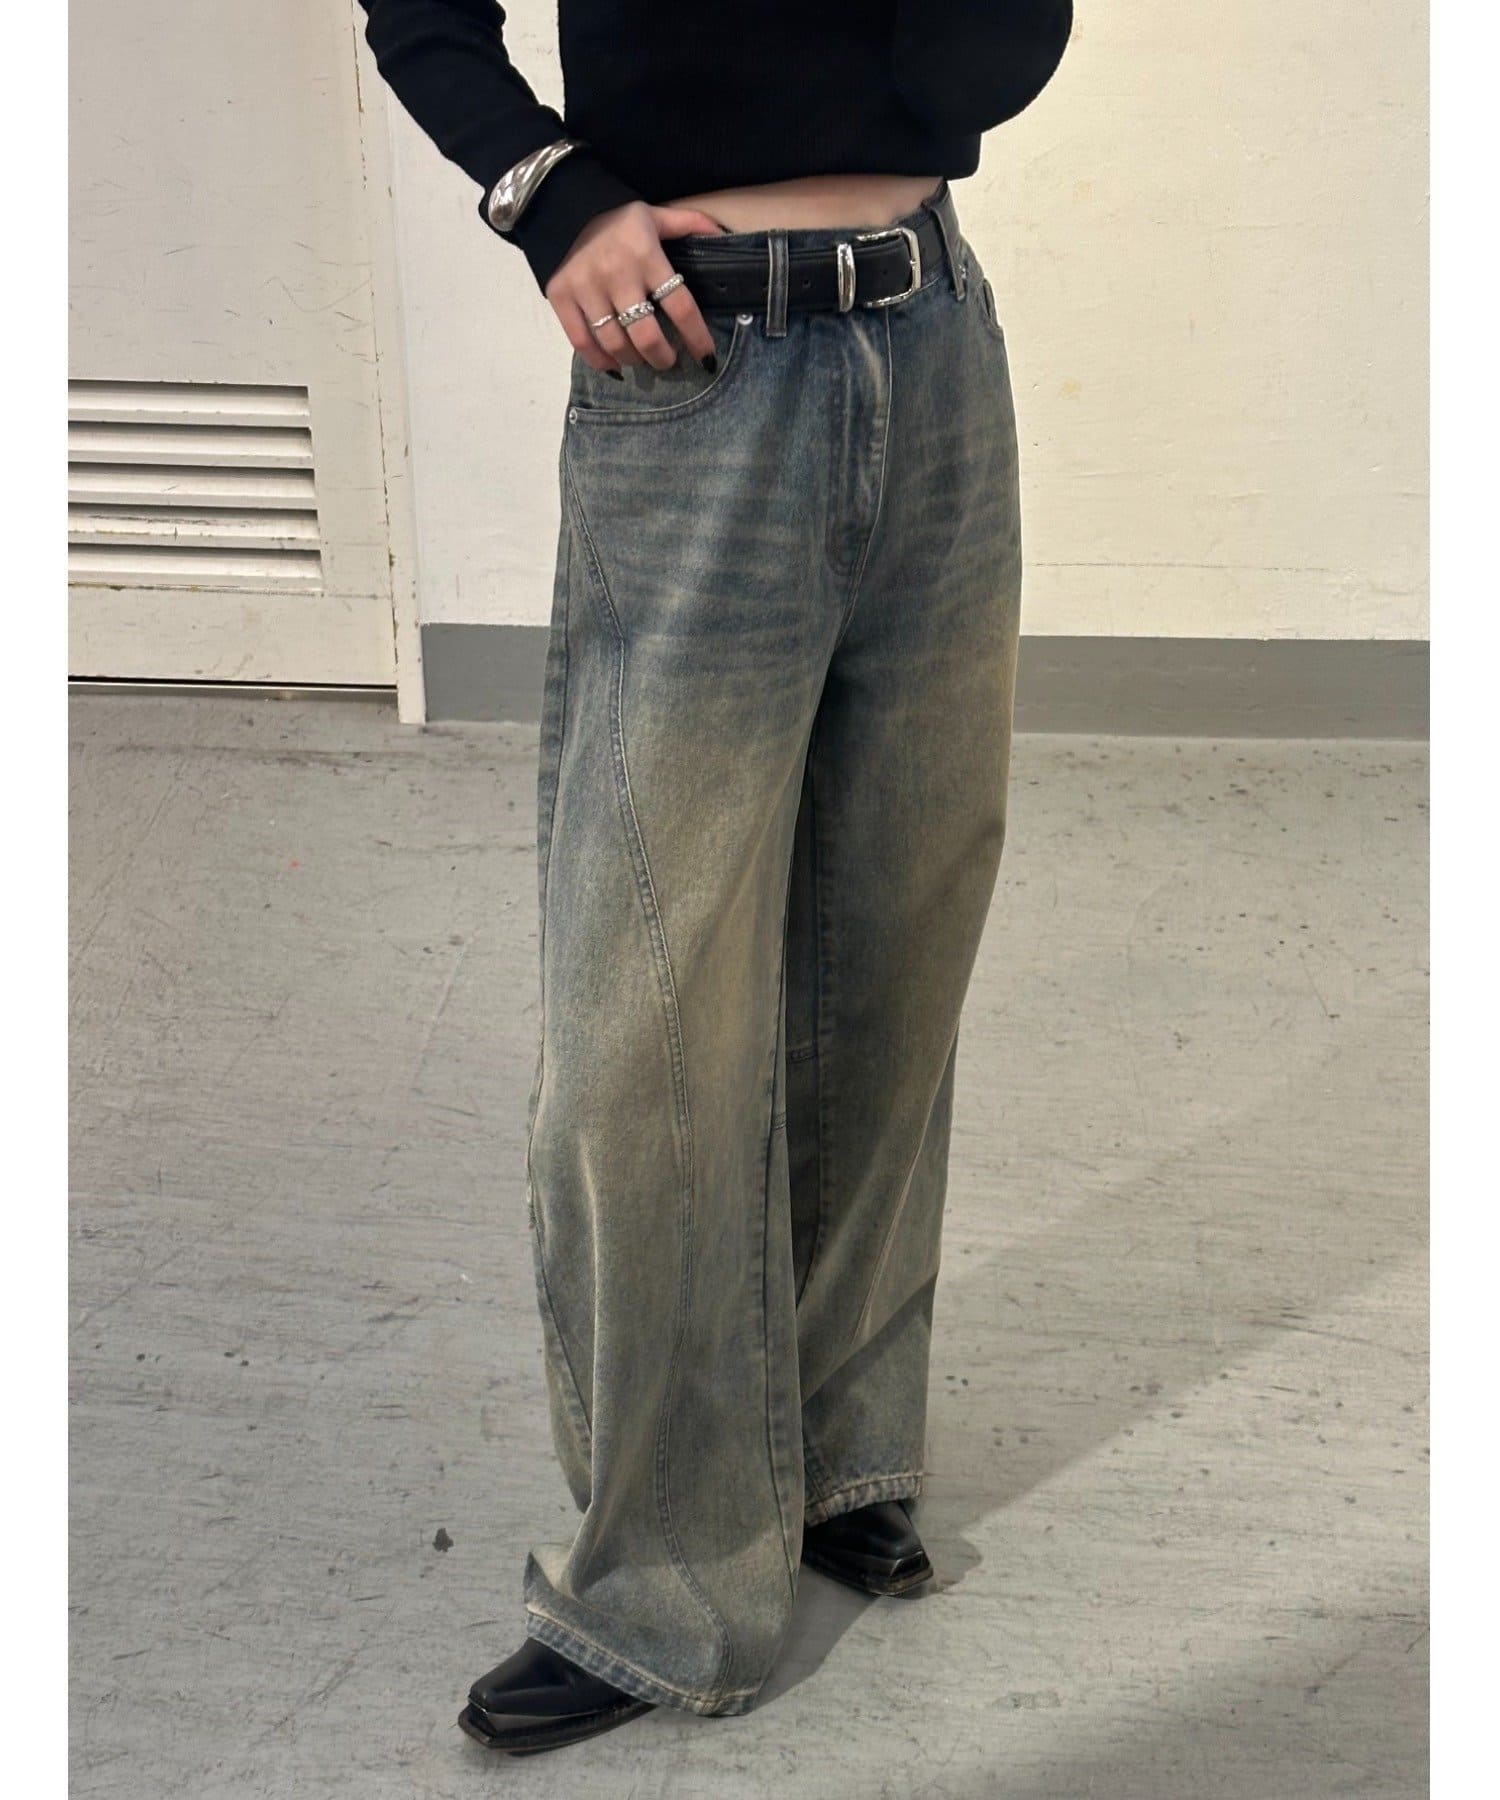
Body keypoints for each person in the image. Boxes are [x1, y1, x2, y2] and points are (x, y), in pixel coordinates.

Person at [357, 0, 1073, 1757]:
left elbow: (997, 58)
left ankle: (837, 1459)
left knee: (898, 935)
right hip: (699, 365)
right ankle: (663, 1580)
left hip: (933, 330)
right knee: (647, 1009)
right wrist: (545, 191)